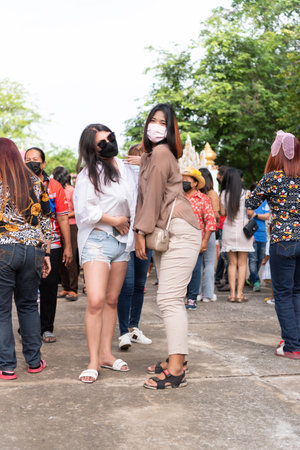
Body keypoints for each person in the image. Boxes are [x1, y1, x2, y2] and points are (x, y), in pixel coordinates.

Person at [134, 104, 201, 389]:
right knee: (169, 298)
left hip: (179, 231)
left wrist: (140, 232)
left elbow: (152, 198)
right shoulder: (153, 155)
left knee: (169, 300)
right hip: (171, 232)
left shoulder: (161, 153)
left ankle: (176, 372)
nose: (156, 125)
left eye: (163, 122)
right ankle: (177, 359)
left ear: (171, 129)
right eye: (153, 120)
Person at [74, 124, 137, 383]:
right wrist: (115, 220)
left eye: (110, 138)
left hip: (122, 242)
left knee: (112, 300)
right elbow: (84, 211)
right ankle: (92, 361)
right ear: (92, 147)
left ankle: (105, 355)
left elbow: (136, 200)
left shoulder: (126, 169)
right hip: (97, 240)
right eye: (101, 142)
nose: (108, 144)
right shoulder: (88, 173)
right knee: (96, 300)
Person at [0, 138, 51, 380]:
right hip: (33, 250)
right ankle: (33, 362)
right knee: (29, 305)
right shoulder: (36, 181)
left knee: (1, 311)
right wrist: (46, 252)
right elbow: (45, 220)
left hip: (4, 249)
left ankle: (7, 367)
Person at [246, 130, 300, 359]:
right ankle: (295, 340)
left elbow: (251, 202)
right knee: (297, 292)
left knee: (283, 294)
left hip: (282, 242)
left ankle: (292, 345)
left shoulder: (272, 178)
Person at [25, 148, 72, 343]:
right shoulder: (18, 184)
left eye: (35, 159)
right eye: (27, 159)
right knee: (26, 289)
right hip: (26, 244)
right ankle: (28, 328)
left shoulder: (54, 187)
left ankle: (46, 328)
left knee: (49, 286)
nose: (31, 162)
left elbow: (62, 219)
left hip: (51, 244)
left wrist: (68, 246)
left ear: (43, 164)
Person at [117, 144, 152, 350]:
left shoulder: (152, 181)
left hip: (145, 237)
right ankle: (123, 332)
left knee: (139, 285)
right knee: (127, 286)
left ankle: (133, 327)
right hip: (125, 238)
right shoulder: (122, 180)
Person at [182, 167, 217, 309]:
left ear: (195, 183)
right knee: (181, 270)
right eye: (182, 180)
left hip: (196, 239)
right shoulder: (177, 197)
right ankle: (180, 296)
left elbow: (210, 221)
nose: (183, 182)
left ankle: (192, 298)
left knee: (195, 269)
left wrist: (205, 241)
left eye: (187, 180)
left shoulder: (203, 199)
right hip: (178, 239)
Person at [220, 167, 253, 302]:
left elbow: (222, 213)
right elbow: (250, 213)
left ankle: (232, 294)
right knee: (242, 264)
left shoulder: (223, 194)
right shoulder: (247, 193)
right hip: (244, 232)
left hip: (228, 230)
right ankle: (240, 294)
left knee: (232, 264)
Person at [52, 166, 79, 301]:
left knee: (71, 257)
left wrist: (65, 215)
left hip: (72, 226)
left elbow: (79, 210)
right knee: (60, 257)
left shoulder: (72, 191)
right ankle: (65, 287)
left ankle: (73, 289)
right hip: (58, 225)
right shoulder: (58, 190)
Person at [199, 167, 219, 302]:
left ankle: (198, 292)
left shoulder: (195, 194)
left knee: (198, 264)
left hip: (197, 231)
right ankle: (208, 294)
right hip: (209, 231)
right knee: (210, 263)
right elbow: (216, 214)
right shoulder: (211, 193)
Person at [246, 182, 270, 292]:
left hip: (262, 235)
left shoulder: (265, 202)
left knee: (260, 260)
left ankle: (251, 278)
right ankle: (256, 281)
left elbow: (267, 216)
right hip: (252, 235)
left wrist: (256, 215)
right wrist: (257, 215)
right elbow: (248, 214)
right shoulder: (250, 201)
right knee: (252, 260)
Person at [215, 166, 229, 291]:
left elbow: (222, 211)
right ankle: (219, 277)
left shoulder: (226, 191)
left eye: (219, 175)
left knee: (226, 255)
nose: (218, 177)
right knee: (223, 254)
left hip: (225, 225)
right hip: (222, 225)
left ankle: (228, 280)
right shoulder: (223, 190)